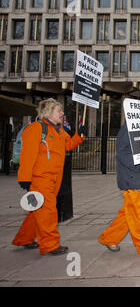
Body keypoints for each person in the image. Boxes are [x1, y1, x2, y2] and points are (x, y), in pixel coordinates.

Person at [12, 98, 86, 255]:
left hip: (55, 178)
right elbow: (27, 155)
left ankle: (24, 238)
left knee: (37, 209)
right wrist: (24, 177)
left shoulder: (59, 130)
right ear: (48, 112)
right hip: (41, 178)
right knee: (48, 211)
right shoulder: (36, 129)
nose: (62, 113)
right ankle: (50, 244)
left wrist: (79, 135)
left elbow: (69, 145)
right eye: (59, 111)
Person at [98, 101, 140, 255]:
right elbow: (122, 155)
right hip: (135, 178)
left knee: (130, 212)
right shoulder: (128, 129)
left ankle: (109, 238)